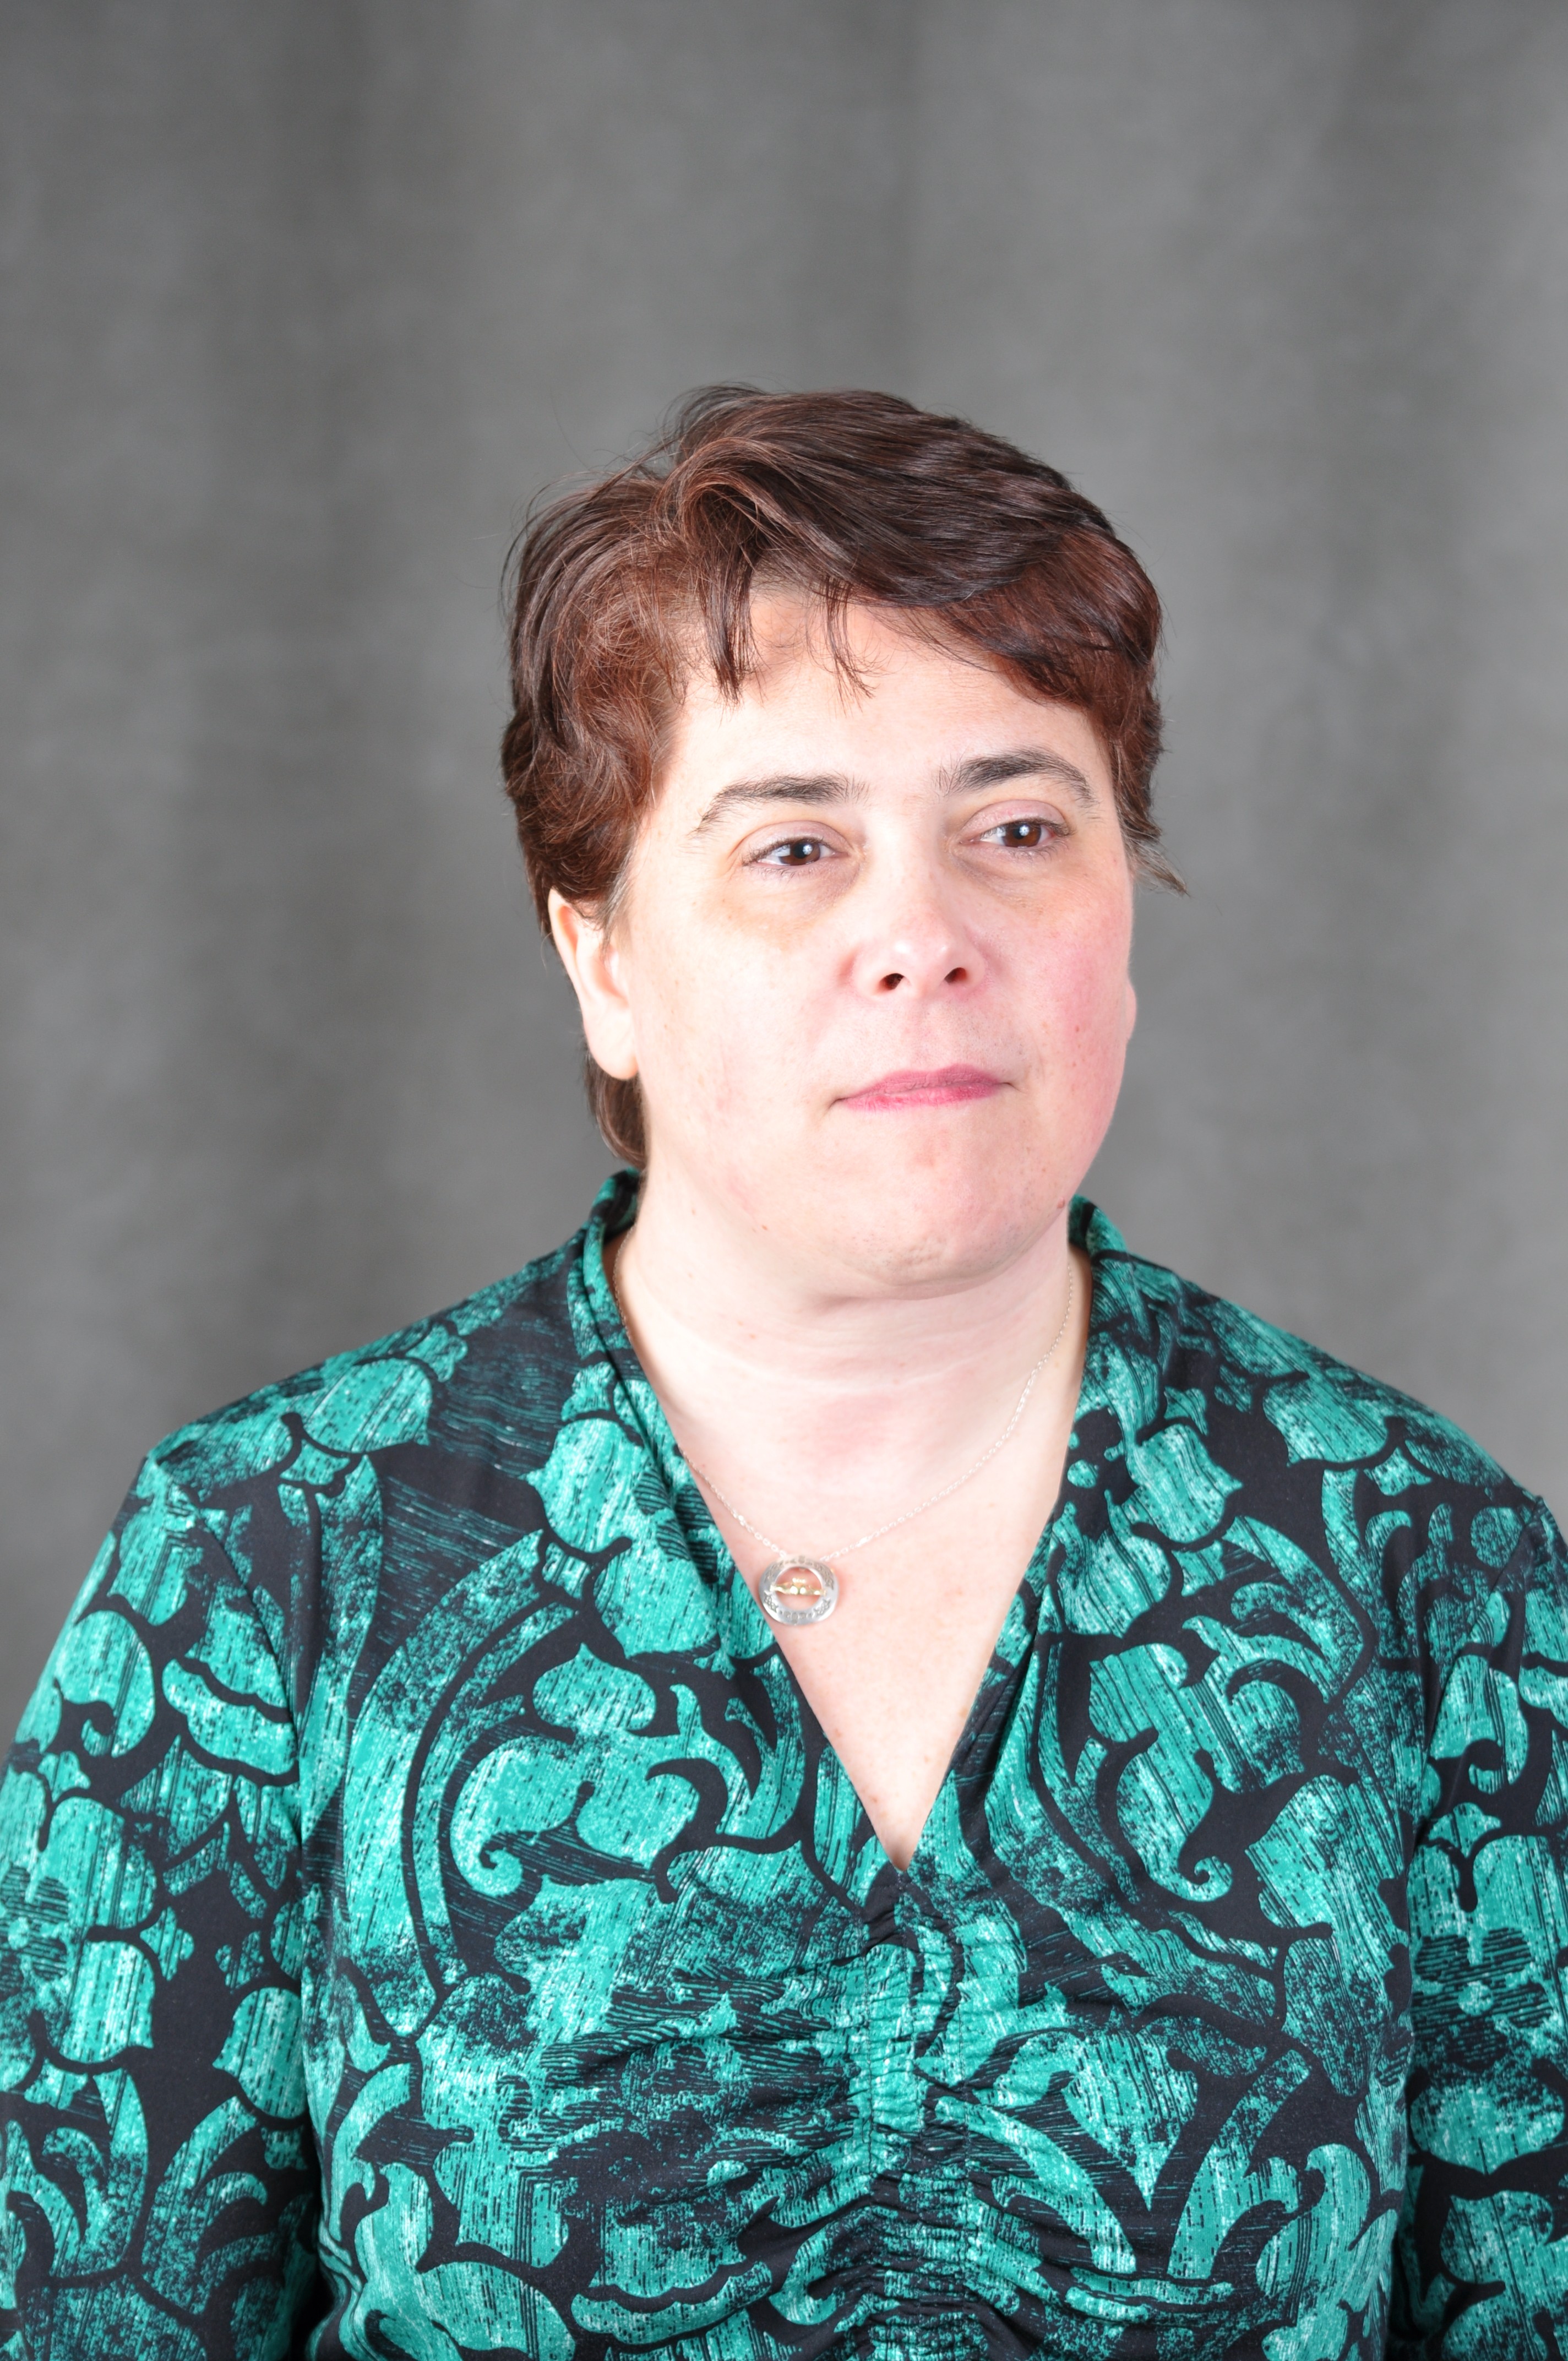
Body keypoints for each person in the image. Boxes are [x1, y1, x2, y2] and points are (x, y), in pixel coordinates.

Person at [1, 388, 1564, 2361]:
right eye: (797, 846)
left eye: (1018, 827)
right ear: (604, 959)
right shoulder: (265, 1563)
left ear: (1124, 911)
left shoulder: (1428, 1568)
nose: (922, 935)